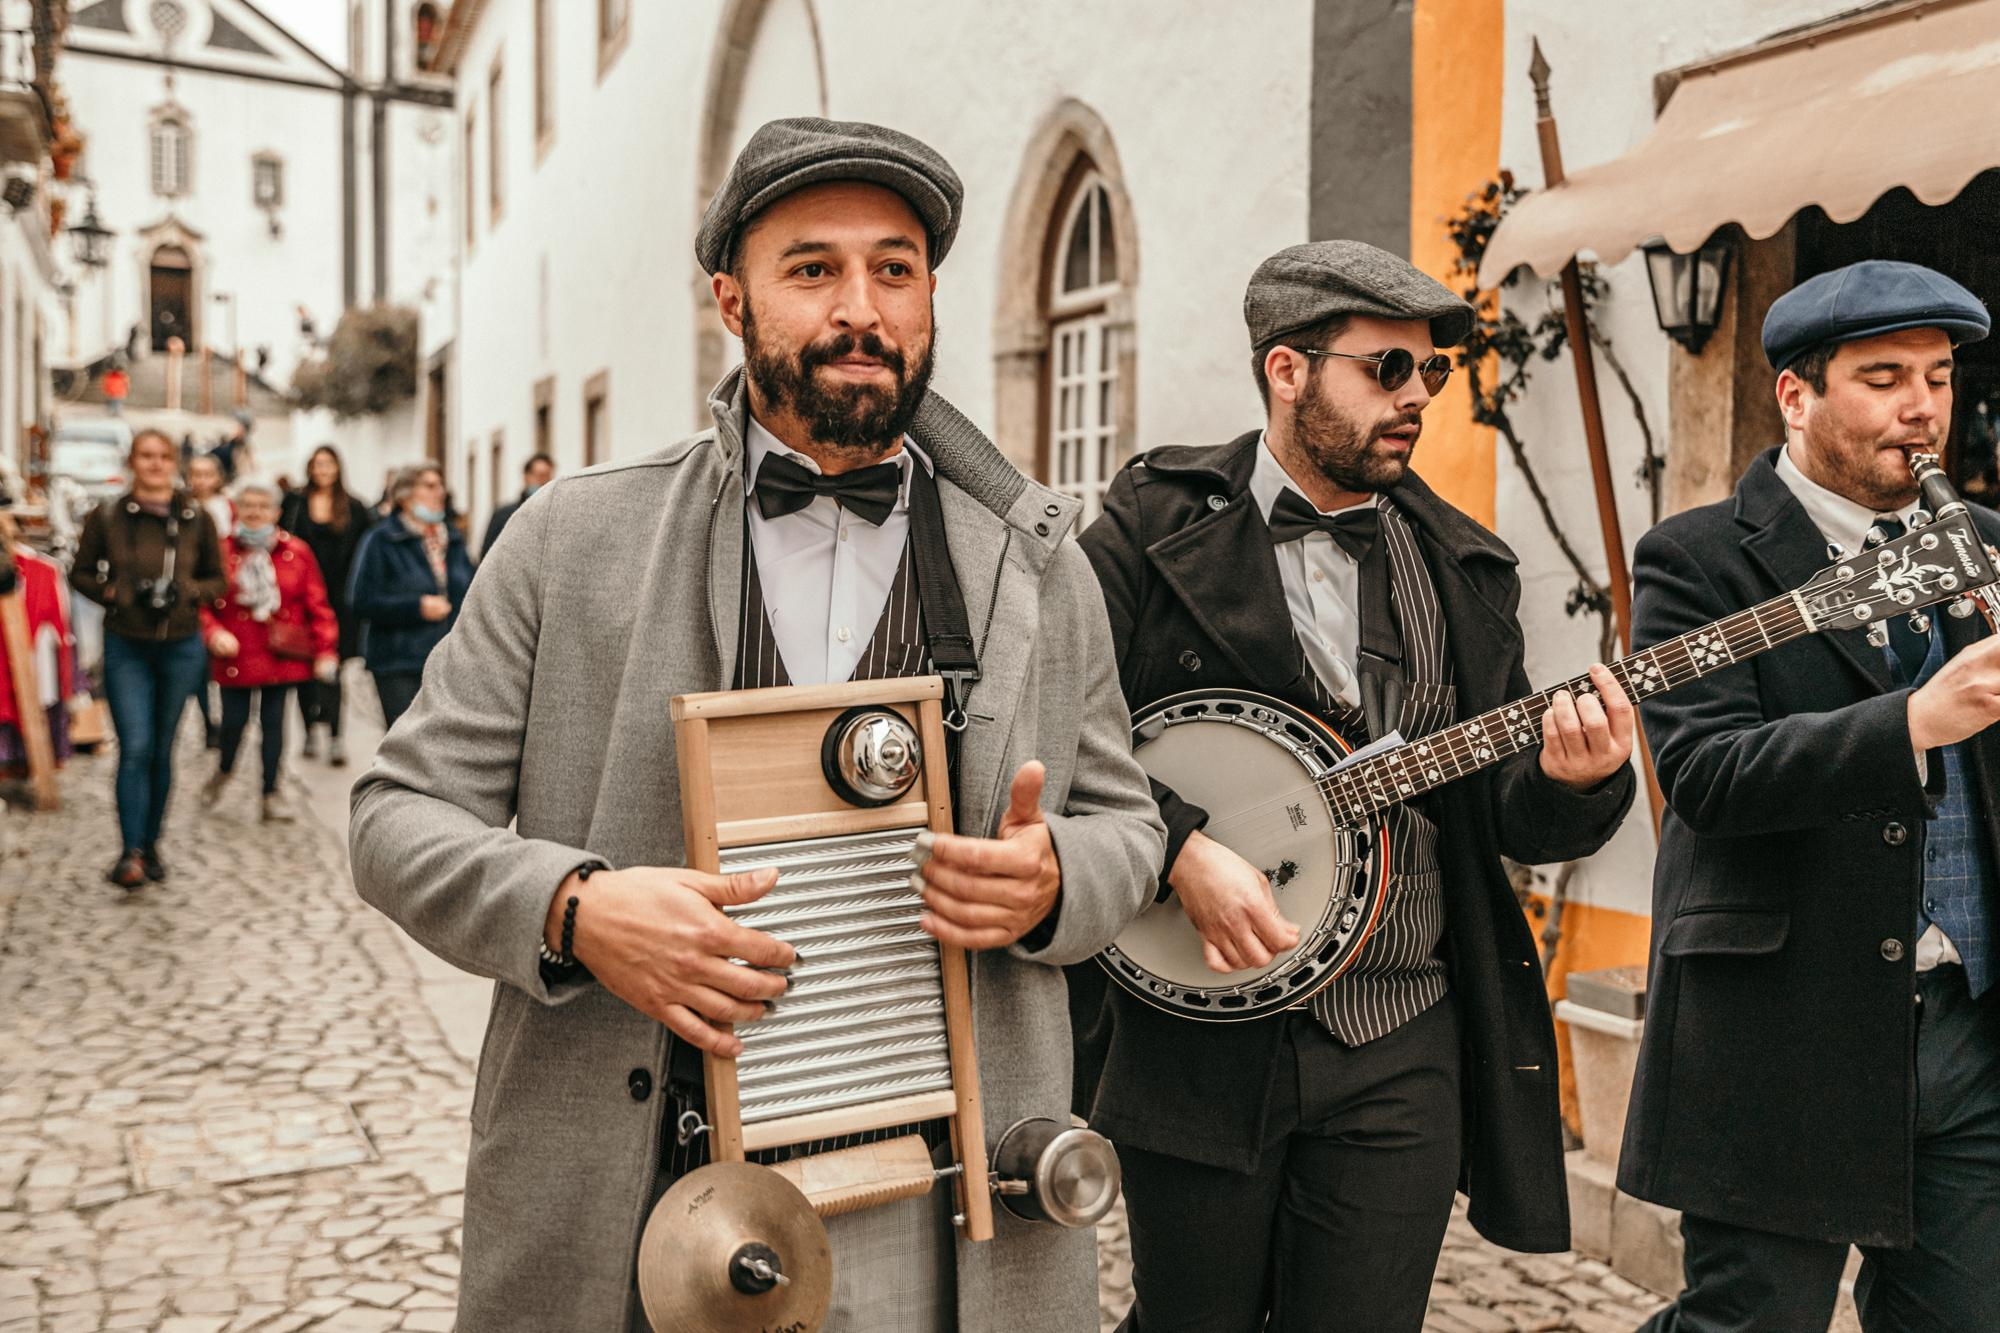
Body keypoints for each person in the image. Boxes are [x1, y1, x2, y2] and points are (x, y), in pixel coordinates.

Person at [348, 117, 1164, 1333]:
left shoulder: (1035, 568)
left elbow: (1128, 828)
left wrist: (1055, 879)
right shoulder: (572, 540)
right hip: (648, 1178)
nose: (861, 306)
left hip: (944, 1201)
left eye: (894, 269)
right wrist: (577, 909)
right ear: (731, 299)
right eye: (811, 268)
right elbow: (392, 819)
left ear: (930, 296)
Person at [1072, 240, 1639, 1333]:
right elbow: (1061, 722)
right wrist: (1177, 846)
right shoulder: (1151, 523)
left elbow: (1502, 803)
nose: (1417, 396)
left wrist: (1574, 780)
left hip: (1397, 1031)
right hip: (1197, 1033)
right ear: (1287, 370)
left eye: (1428, 372)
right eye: (1386, 368)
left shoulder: (1462, 564)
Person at [1625, 260, 2000, 1331]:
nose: (1921, 405)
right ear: (1795, 395)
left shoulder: (1982, 548)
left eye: (1934, 375)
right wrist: (1912, 721)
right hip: (1777, 1031)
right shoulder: (1695, 560)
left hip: (1966, 1029)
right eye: (1882, 377)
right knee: (1752, 1322)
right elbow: (1706, 773)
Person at [69, 427, 227, 889]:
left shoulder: (197, 517)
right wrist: (115, 592)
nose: (155, 464)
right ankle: (130, 851)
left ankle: (152, 844)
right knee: (134, 747)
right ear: (132, 461)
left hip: (181, 644)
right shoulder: (109, 515)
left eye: (163, 456)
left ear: (174, 461)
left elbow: (218, 579)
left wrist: (187, 591)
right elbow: (79, 572)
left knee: (162, 748)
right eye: (146, 456)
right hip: (127, 643)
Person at [197, 478, 339, 821]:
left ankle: (270, 792)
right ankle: (226, 768)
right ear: (237, 510)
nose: (256, 513)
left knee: (274, 724)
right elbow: (200, 603)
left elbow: (317, 604)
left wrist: (325, 649)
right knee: (234, 722)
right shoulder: (220, 550)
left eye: (263, 506)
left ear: (276, 512)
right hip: (237, 650)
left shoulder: (296, 552)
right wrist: (213, 633)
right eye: (248, 506)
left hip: (280, 652)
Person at [346, 463, 472, 730]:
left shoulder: (453, 539)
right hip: (398, 662)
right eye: (429, 486)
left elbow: (471, 590)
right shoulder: (381, 540)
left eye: (439, 485)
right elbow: (361, 600)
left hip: (448, 661)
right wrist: (416, 607)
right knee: (406, 744)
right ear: (404, 496)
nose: (440, 492)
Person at [281, 445, 374, 765]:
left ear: (338, 468)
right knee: (304, 669)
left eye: (328, 464)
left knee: (332, 669)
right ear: (310, 468)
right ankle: (309, 730)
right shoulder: (294, 503)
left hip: (339, 602)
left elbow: (366, 553)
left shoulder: (354, 507)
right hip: (301, 599)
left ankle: (335, 736)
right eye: (317, 464)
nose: (322, 470)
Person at [184, 453, 232, 749]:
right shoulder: (183, 507)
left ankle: (224, 721)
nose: (201, 480)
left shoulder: (226, 509)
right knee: (199, 664)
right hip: (192, 590)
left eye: (207, 474)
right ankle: (208, 722)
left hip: (221, 591)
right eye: (195, 473)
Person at [480, 452, 554, 558]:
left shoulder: (554, 516)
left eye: (548, 476)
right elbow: (487, 556)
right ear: (526, 477)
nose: (544, 482)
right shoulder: (503, 515)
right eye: (540, 476)